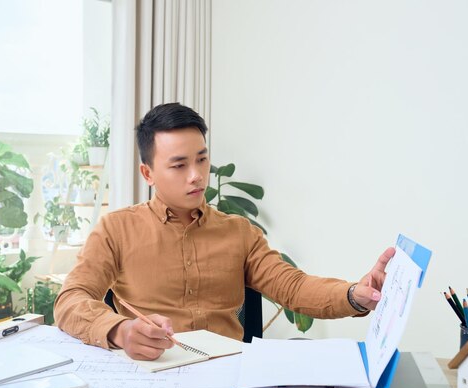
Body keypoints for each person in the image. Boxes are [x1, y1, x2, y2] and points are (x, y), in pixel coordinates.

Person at [54, 102, 395, 361]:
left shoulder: (238, 231)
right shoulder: (117, 229)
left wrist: (354, 294)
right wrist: (120, 330)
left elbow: (292, 287)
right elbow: (71, 300)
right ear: (148, 173)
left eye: (202, 160)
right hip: (150, 373)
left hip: (227, 371)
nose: (196, 175)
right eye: (179, 165)